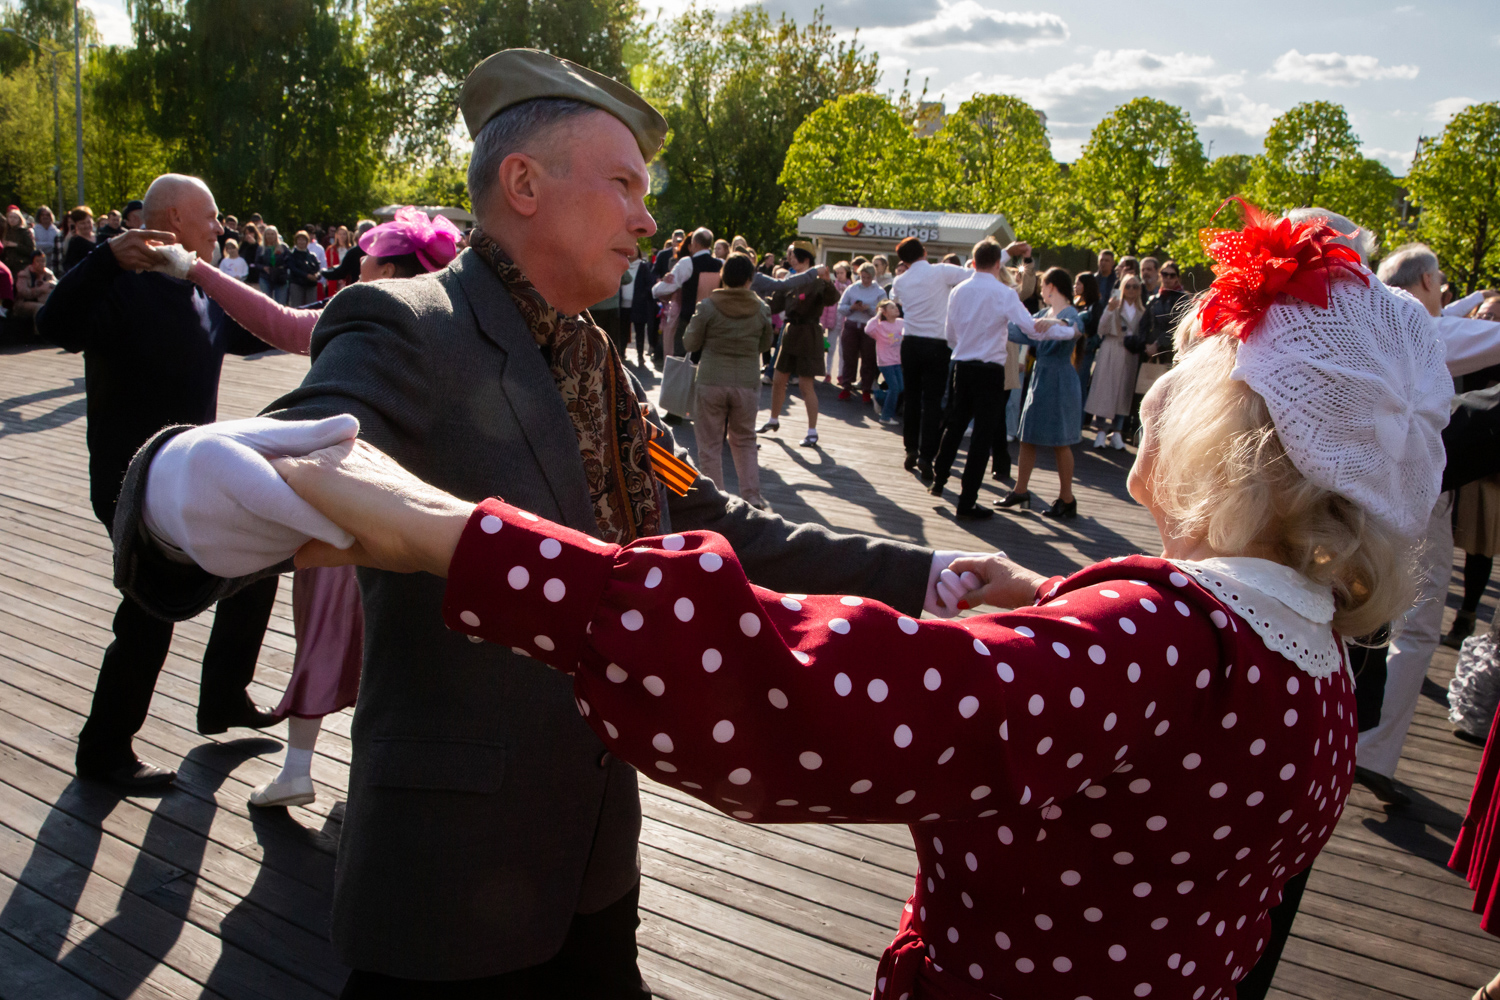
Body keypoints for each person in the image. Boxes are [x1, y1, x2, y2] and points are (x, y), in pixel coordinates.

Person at [264, 200, 1447, 1000]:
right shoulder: (1311, 657)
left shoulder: (1153, 643)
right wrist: (1053, 594)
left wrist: (448, 537)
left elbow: (805, 691)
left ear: (1232, 438)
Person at [108, 49, 982, 995]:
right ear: (524, 183)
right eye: (623, 185)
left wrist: (935, 576)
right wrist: (184, 484)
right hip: (446, 895)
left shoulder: (598, 359)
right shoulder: (408, 323)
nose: (648, 218)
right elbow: (285, 458)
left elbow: (716, 520)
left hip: (595, 863)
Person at [147, 206, 459, 807]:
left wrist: (196, 271)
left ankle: (298, 768)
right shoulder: (444, 326)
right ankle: (368, 779)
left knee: (324, 628)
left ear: (388, 269)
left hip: (349, 498)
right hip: (422, 509)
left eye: (367, 257)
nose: (355, 262)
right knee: (394, 643)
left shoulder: (361, 322)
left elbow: (279, 321)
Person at [34, 174, 280, 790]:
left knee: (262, 557)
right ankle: (104, 753)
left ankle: (223, 693)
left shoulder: (201, 289)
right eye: (213, 216)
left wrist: (361, 308)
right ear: (172, 218)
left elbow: (274, 327)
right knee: (152, 609)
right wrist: (104, 258)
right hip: (132, 484)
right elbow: (54, 326)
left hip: (189, 478)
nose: (221, 228)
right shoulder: (121, 288)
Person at [1356, 242, 1500, 805]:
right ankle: (1371, 752)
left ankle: (1353, 739)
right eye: (1439, 284)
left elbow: (1456, 322)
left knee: (1364, 612)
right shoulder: (1420, 327)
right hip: (1415, 494)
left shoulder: (1379, 315)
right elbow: (1468, 337)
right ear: (1424, 283)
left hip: (1370, 487)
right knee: (1414, 627)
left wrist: (1475, 299)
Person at [931, 239, 1067, 519]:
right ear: (998, 263)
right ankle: (967, 500)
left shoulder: (958, 290)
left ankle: (939, 478)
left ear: (974, 260)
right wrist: (1062, 329)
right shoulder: (1003, 293)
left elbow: (951, 333)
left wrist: (965, 346)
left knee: (955, 424)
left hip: (963, 365)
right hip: (990, 368)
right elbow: (1030, 328)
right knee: (982, 435)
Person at [892, 235, 1029, 481]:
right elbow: (976, 272)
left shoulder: (900, 281)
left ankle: (910, 447)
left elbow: (896, 299)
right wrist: (1006, 252)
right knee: (933, 401)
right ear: (923, 252)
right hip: (937, 342)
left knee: (911, 396)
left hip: (910, 342)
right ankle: (927, 453)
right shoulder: (941, 272)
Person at [682, 252, 775, 510]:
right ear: (750, 279)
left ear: (723, 277)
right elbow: (766, 344)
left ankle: (717, 499)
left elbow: (690, 342)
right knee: (744, 439)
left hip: (711, 379)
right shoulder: (761, 308)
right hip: (746, 380)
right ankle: (752, 497)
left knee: (709, 444)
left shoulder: (708, 306)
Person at [997, 267, 1085, 519]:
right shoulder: (1044, 312)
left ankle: (1067, 498)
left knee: (1060, 441)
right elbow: (1021, 330)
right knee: (1027, 436)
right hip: (1041, 377)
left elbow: (1076, 327)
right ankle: (1021, 490)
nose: (1041, 290)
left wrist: (1056, 322)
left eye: (1043, 285)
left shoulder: (1069, 312)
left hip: (1059, 379)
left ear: (1052, 286)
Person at [760, 242, 839, 447]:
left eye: (794, 255)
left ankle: (812, 431)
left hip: (808, 334)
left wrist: (828, 281)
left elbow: (832, 299)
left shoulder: (817, 280)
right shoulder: (789, 278)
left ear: (805, 258)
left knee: (805, 385)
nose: (790, 259)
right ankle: (773, 420)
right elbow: (774, 303)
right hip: (789, 332)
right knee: (778, 379)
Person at [1087, 274, 1146, 449]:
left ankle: (1118, 432)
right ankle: (1100, 430)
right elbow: (1101, 329)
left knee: (1124, 392)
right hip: (1111, 348)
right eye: (1128, 286)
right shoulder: (1114, 306)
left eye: (1135, 287)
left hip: (1129, 352)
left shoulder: (1142, 311)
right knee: (1106, 390)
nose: (1131, 290)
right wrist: (1109, 310)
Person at [653, 227, 721, 355]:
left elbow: (667, 287)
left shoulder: (687, 263)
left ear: (694, 244)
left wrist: (655, 289)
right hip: (714, 321)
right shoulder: (721, 264)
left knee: (683, 360)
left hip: (689, 319)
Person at [836, 262, 882, 401]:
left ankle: (866, 389)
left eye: (868, 277)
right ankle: (846, 386)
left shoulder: (879, 291)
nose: (865, 280)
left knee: (868, 359)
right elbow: (840, 307)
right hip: (851, 325)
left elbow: (883, 312)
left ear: (873, 276)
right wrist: (852, 307)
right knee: (849, 357)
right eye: (863, 277)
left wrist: (869, 309)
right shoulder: (851, 288)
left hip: (868, 328)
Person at [868, 299, 904, 425]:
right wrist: (878, 314)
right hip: (885, 362)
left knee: (900, 387)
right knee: (894, 388)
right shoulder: (880, 326)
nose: (896, 309)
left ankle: (878, 396)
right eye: (892, 308)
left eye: (896, 307)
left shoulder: (901, 323)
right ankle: (886, 416)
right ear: (885, 313)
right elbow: (868, 329)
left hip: (897, 361)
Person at [1073, 272, 1103, 412]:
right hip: (1072, 349)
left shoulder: (1095, 306)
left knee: (1079, 386)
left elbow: (1094, 329)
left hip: (1085, 350)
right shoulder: (1076, 302)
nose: (1075, 286)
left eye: (1078, 283)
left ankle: (1078, 425)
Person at [823, 259, 851, 384]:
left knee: (843, 350)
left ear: (847, 273)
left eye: (842, 272)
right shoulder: (832, 287)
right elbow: (826, 307)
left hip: (846, 323)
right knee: (830, 348)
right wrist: (823, 323)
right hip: (833, 322)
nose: (839, 275)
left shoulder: (851, 288)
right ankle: (828, 372)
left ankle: (841, 374)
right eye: (837, 273)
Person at [12, 249, 56, 327]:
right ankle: (38, 334)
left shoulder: (48, 274)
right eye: (38, 261)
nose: (41, 264)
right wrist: (41, 289)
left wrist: (50, 284)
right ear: (32, 263)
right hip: (24, 303)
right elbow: (23, 293)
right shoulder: (24, 275)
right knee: (39, 307)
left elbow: (57, 286)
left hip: (43, 300)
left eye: (43, 261)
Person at [286, 230, 323, 307]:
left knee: (312, 307)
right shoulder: (292, 255)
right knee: (296, 307)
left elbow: (318, 269)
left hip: (311, 285)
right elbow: (293, 269)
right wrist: (307, 276)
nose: (301, 242)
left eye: (303, 239)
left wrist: (317, 276)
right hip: (297, 284)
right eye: (299, 239)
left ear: (307, 241)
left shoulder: (312, 256)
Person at [258, 225, 290, 304]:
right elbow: (256, 263)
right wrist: (263, 268)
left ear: (276, 235)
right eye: (268, 234)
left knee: (280, 303)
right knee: (266, 302)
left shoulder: (283, 247)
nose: (270, 236)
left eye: (272, 234)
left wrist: (282, 267)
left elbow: (289, 262)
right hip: (265, 277)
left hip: (280, 277)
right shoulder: (261, 248)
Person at [61, 206, 96, 272]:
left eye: (88, 222)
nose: (86, 225)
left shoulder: (101, 237)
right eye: (82, 223)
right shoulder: (75, 242)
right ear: (76, 224)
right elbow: (68, 265)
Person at [3, 205, 36, 273]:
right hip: (7, 265)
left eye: (15, 217)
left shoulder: (25, 232)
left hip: (21, 266)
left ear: (19, 219)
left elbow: (30, 250)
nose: (12, 219)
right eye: (10, 217)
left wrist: (16, 245)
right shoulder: (5, 232)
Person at [32, 205, 60, 271]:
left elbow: (58, 247)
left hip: (54, 263)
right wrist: (50, 245)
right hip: (38, 265)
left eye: (47, 215)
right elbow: (36, 246)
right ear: (39, 216)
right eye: (42, 215)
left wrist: (44, 246)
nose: (45, 217)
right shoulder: (34, 230)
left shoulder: (56, 231)